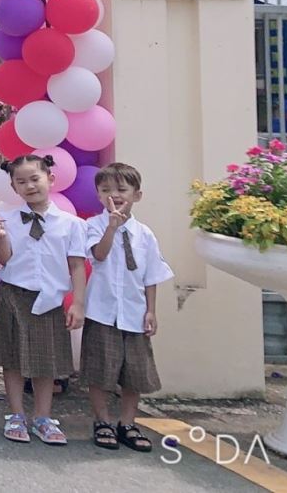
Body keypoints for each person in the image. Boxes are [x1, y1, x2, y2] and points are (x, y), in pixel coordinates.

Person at [0, 153, 86, 446]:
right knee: (13, 359)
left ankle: (43, 417)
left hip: (49, 299)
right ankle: (16, 414)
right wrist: (1, 237)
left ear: (51, 179)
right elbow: (4, 260)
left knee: (46, 361)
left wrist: (78, 302)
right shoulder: (6, 220)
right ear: (14, 187)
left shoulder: (71, 224)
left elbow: (77, 265)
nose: (30, 186)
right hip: (14, 296)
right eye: (21, 182)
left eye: (35, 179)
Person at [84, 162, 171, 453]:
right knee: (99, 369)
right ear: (98, 195)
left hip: (134, 313)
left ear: (137, 195)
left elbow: (151, 275)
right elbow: (98, 255)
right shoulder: (93, 225)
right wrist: (111, 227)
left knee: (134, 371)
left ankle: (127, 423)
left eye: (122, 189)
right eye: (106, 189)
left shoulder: (145, 234)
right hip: (102, 311)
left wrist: (151, 310)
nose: (115, 194)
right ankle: (102, 421)